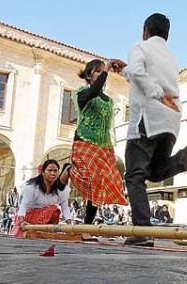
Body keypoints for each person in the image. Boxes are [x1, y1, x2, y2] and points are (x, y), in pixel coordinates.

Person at [111, 13, 187, 246]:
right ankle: (184, 158)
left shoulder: (139, 46)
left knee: (135, 175)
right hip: (171, 120)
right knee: (154, 171)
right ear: (166, 34)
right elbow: (137, 72)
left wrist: (153, 93)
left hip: (148, 117)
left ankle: (143, 231)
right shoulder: (171, 57)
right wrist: (127, 71)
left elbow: (140, 74)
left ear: (145, 30)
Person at [59, 59, 128, 226]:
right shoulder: (82, 93)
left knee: (99, 184)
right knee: (89, 178)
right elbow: (95, 90)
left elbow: (106, 126)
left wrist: (108, 149)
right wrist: (108, 68)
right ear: (90, 75)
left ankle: (87, 225)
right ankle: (69, 170)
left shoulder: (109, 101)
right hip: (83, 141)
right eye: (97, 71)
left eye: (102, 71)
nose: (100, 74)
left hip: (102, 146)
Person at [10, 159, 72, 237]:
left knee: (55, 211)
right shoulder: (32, 187)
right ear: (43, 172)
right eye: (49, 170)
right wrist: (22, 221)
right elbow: (24, 206)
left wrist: (70, 226)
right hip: (28, 219)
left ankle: (46, 233)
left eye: (55, 171)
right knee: (52, 208)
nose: (52, 173)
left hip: (46, 220)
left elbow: (65, 208)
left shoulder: (61, 190)